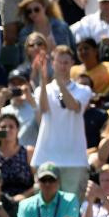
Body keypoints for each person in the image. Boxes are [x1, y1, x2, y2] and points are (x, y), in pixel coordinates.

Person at [33, 44, 93, 198]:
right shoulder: (42, 89)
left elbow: (73, 106)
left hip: (75, 159)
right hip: (47, 156)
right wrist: (43, 78)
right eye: (59, 62)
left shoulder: (83, 90)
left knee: (71, 209)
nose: (62, 66)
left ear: (72, 63)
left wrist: (59, 82)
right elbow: (44, 108)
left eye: (66, 62)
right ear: (53, 63)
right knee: (45, 205)